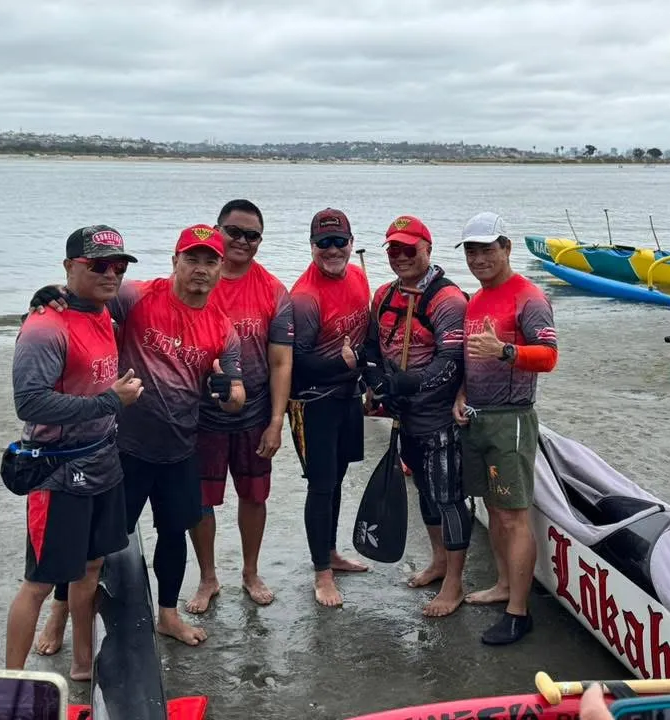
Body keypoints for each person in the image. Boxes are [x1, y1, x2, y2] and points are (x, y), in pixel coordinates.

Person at [30, 224, 246, 649]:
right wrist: (49, 293)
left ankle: (167, 614)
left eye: (210, 261)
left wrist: (227, 395)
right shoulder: (138, 296)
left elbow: (236, 394)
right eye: (192, 259)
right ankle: (58, 614)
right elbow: (88, 292)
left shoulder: (224, 328)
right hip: (123, 448)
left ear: (221, 268)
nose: (200, 269)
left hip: (180, 450)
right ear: (175, 262)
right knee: (93, 543)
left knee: (174, 532)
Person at [4, 226, 143, 680]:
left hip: (103, 460)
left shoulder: (102, 311)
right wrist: (109, 402)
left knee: (92, 567)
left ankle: (84, 662)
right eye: (98, 265)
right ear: (69, 267)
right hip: (58, 470)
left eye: (118, 265)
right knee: (41, 582)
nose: (111, 274)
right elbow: (30, 402)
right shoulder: (45, 327)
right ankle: (12, 682)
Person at [452, 211, 558, 645]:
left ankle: (519, 611)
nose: (479, 258)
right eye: (472, 251)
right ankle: (501, 584)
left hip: (512, 419)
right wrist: (460, 394)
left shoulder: (528, 297)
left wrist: (506, 351)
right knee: (493, 509)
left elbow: (549, 357)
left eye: (487, 249)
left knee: (514, 516)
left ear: (507, 248)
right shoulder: (476, 300)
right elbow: (470, 358)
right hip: (477, 415)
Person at [186, 200, 294, 612]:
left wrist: (276, 421)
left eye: (253, 236)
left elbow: (281, 361)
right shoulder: (195, 280)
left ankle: (250, 571)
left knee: (254, 496)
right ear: (217, 231)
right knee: (201, 501)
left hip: (254, 413)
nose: (243, 242)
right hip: (201, 415)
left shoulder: (272, 289)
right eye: (234, 232)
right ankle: (208, 577)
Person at [362, 215, 471, 617]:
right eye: (393, 249)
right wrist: (375, 383)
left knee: (448, 499)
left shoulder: (447, 300)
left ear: (428, 249)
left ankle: (455, 584)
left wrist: (409, 384)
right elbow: (371, 348)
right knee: (424, 494)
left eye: (410, 249)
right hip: (403, 417)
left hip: (440, 420)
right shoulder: (383, 295)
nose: (401, 256)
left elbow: (452, 360)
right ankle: (439, 562)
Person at [288, 208, 371, 608]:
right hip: (313, 404)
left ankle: (332, 554)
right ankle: (321, 573)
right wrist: (343, 364)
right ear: (312, 247)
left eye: (340, 241)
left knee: (337, 479)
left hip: (347, 397)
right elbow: (296, 365)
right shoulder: (304, 298)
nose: (333, 250)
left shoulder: (358, 275)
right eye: (324, 243)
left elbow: (366, 333)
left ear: (352, 243)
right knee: (320, 486)